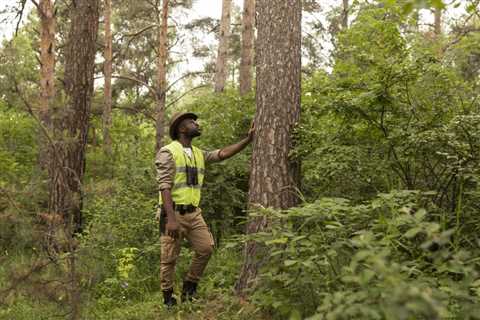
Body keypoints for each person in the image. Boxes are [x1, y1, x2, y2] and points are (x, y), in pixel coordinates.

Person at [155, 111, 254, 307]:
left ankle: (189, 288)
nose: (197, 124)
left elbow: (223, 153)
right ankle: (168, 299)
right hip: (172, 214)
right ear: (182, 128)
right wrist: (172, 220)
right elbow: (164, 185)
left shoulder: (199, 153)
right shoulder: (168, 151)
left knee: (206, 248)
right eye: (192, 122)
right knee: (169, 258)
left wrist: (248, 140)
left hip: (194, 213)